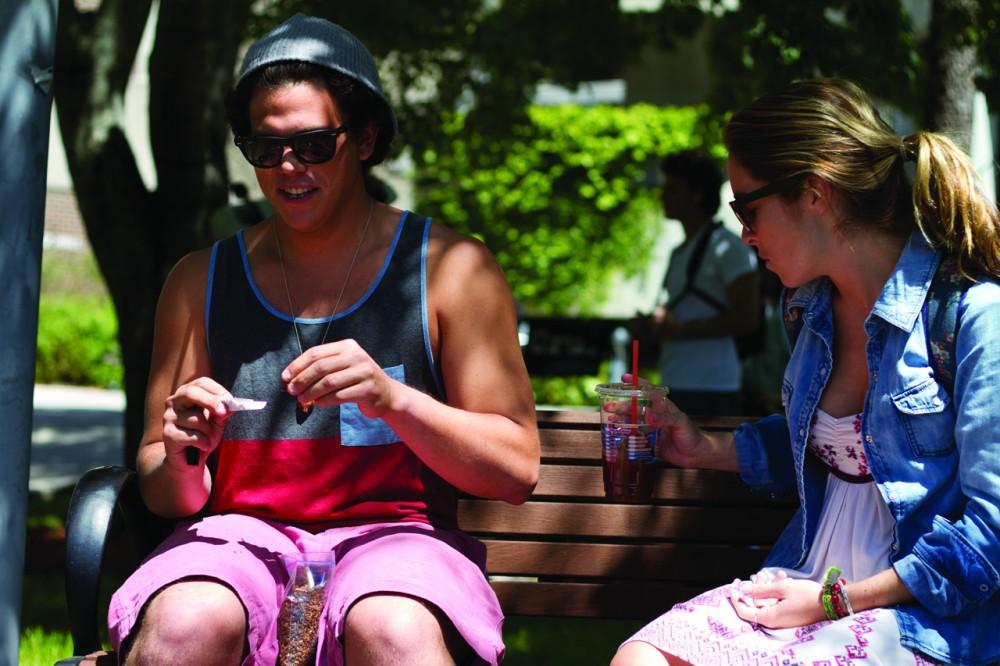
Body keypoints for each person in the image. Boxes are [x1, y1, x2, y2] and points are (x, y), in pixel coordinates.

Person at [99, 14, 539, 666]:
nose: (286, 167)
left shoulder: (451, 269)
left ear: (364, 139)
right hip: (237, 540)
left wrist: (395, 400)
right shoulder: (199, 279)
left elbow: (515, 471)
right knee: (184, 625)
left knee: (391, 627)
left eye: (311, 144)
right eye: (263, 147)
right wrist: (185, 450)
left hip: (398, 541)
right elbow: (170, 495)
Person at [612, 78, 1000, 666]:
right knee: (640, 658)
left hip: (922, 619)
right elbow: (835, 446)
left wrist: (833, 601)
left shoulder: (974, 316)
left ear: (814, 193)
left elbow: (991, 536)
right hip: (802, 583)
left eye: (748, 207)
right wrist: (706, 449)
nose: (744, 232)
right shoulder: (810, 307)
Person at [637, 150, 760, 416]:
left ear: (697, 194)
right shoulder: (680, 251)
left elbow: (748, 317)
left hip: (712, 386)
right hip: (676, 379)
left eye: (673, 189)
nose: (663, 196)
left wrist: (681, 330)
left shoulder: (729, 247)